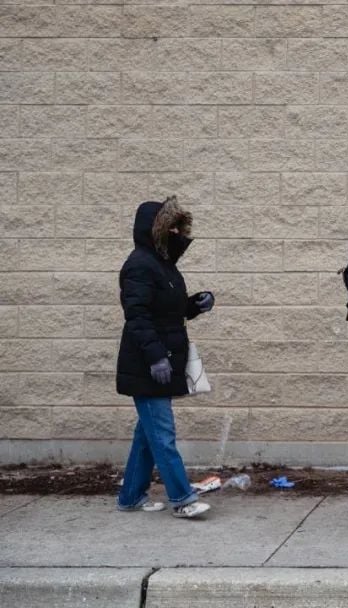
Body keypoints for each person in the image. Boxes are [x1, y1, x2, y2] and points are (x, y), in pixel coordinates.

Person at [116, 196, 215, 519]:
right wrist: (156, 357)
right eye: (170, 227)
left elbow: (167, 312)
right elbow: (138, 316)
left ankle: (130, 496)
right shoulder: (139, 265)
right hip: (148, 364)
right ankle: (183, 499)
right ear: (154, 229)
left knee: (146, 435)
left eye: (178, 227)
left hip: (164, 359)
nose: (176, 232)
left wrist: (194, 305)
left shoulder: (163, 265)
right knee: (162, 434)